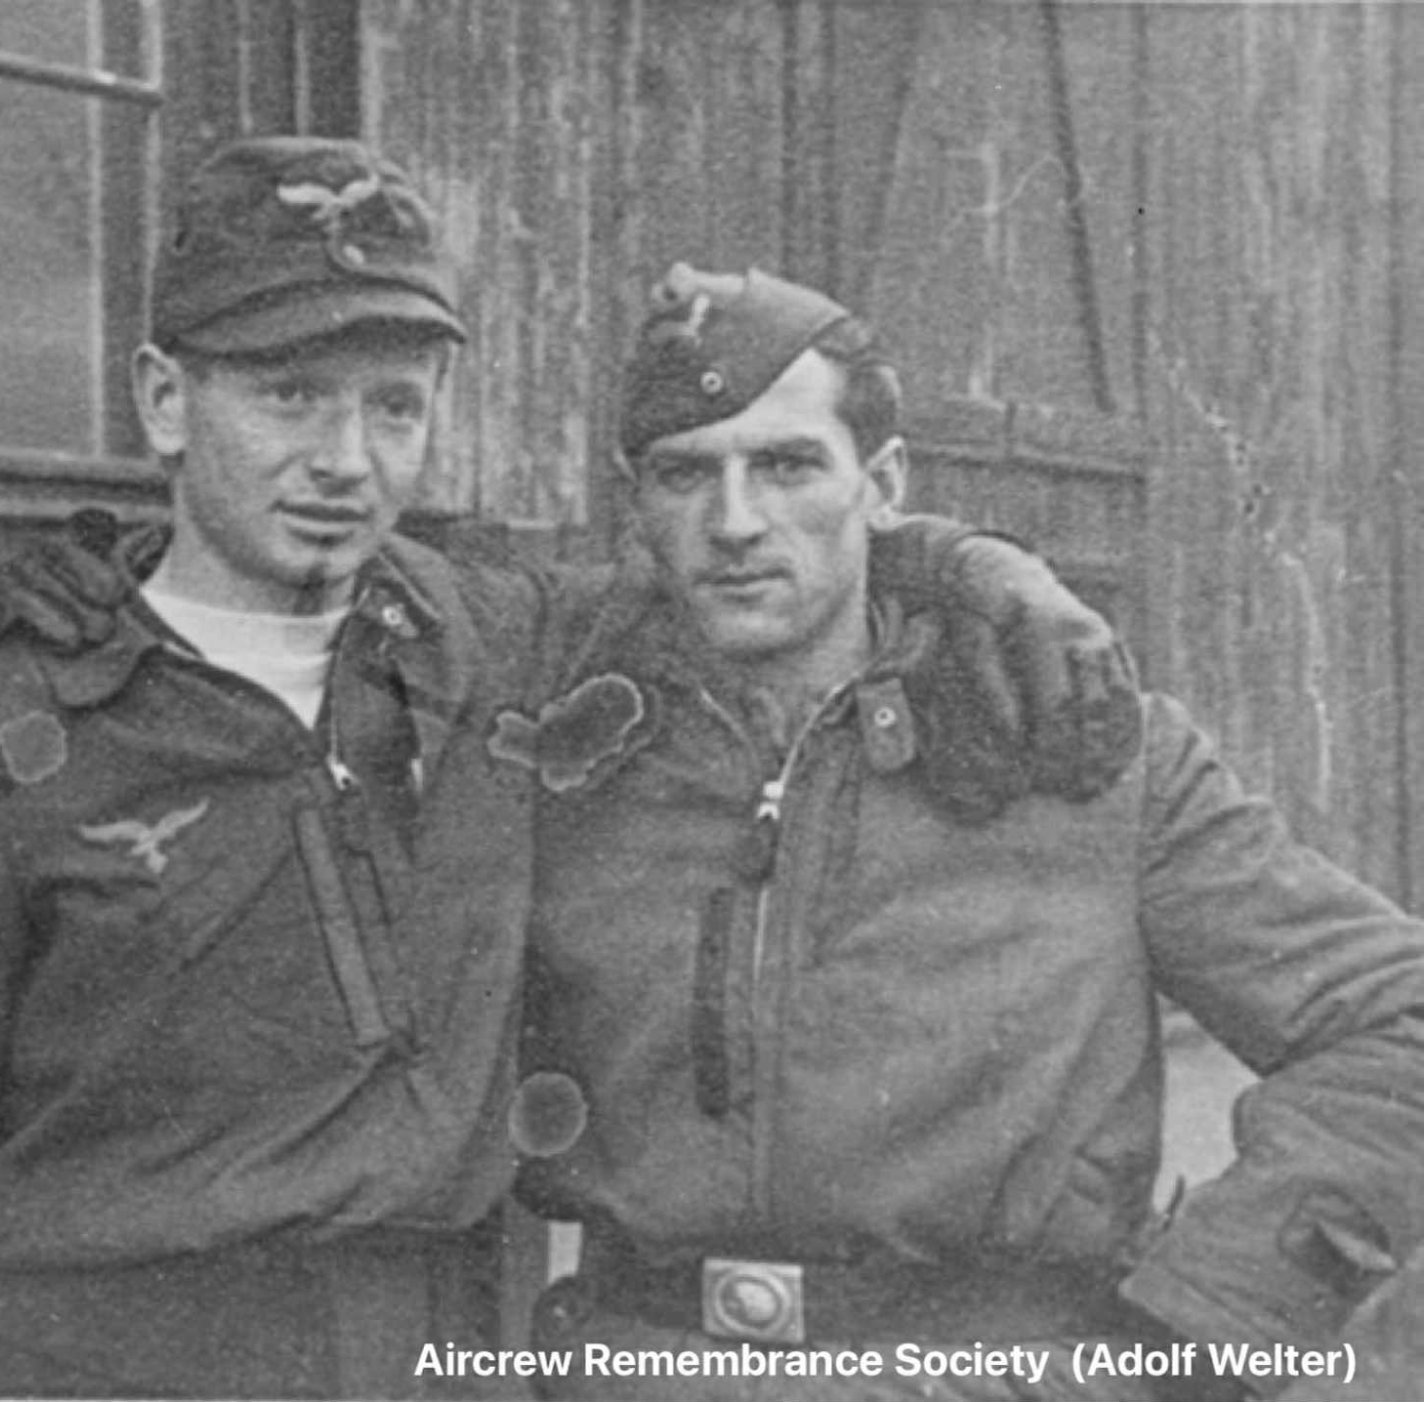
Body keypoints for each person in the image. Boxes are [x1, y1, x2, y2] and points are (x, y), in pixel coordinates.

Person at [0, 140, 1137, 1399]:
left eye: (393, 406)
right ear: (166, 400)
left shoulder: (493, 642)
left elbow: (758, 546)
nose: (344, 458)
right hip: (95, 1357)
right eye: (288, 395)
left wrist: (982, 569)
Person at [513, 263, 1424, 1400]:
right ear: (632, 501)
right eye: (684, 474)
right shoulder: (562, 741)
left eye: (789, 465)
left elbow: (1396, 1022)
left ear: (881, 480)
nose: (734, 521)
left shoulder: (1080, 751)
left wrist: (1197, 1337)